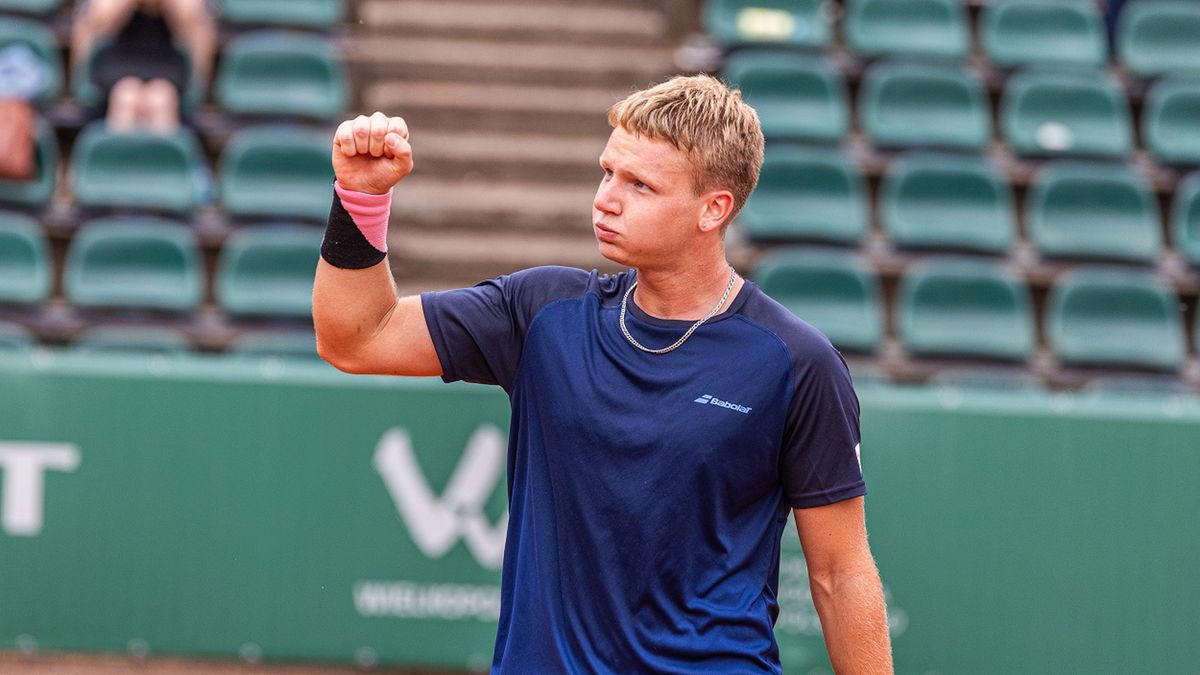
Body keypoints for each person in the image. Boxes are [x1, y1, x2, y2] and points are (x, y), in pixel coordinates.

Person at [313, 75, 893, 673]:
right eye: (607, 171)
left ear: (713, 209)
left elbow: (839, 573)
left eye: (640, 184)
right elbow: (357, 338)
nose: (606, 198)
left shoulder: (797, 363)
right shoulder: (542, 312)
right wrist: (362, 198)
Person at [69, 0, 216, 133]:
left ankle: (164, 160)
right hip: (120, 60)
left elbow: (192, 30)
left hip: (166, 61)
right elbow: (101, 27)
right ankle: (118, 159)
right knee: (126, 95)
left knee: (161, 97)